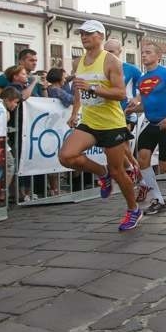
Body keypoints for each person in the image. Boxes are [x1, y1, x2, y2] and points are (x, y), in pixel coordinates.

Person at [58, 19, 142, 231]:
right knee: (66, 156)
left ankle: (133, 210)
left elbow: (120, 93)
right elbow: (78, 89)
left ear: (100, 36)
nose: (84, 37)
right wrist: (75, 112)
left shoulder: (111, 61)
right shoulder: (78, 62)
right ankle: (101, 173)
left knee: (119, 171)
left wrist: (93, 88)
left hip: (112, 124)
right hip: (89, 121)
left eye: (89, 33)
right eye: (81, 34)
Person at [127, 41, 166, 215]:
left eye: (148, 52)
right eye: (143, 52)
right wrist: (134, 108)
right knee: (143, 159)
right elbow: (146, 105)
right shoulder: (141, 79)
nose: (144, 55)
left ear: (158, 56)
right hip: (150, 124)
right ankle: (158, 200)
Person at [104, 39, 142, 130]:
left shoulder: (132, 70)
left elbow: (148, 88)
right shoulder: (100, 69)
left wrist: (137, 99)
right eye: (105, 52)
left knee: (122, 142)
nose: (108, 54)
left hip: (125, 114)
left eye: (111, 51)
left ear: (120, 52)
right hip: (105, 114)